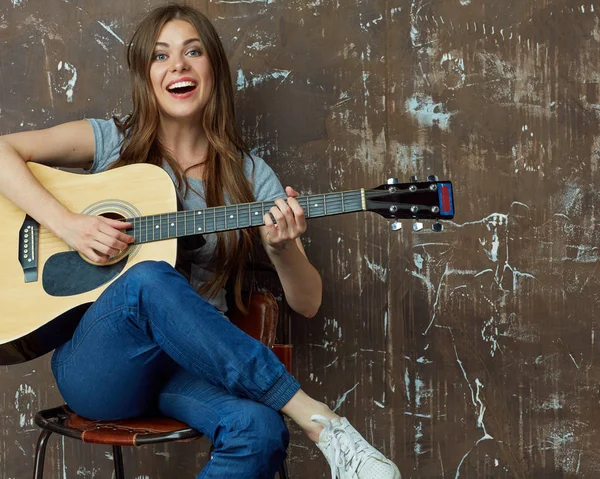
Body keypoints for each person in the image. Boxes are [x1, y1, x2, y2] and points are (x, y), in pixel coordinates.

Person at [0, 4, 401, 479]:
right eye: (160, 55)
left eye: (193, 51)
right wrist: (67, 223)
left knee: (258, 429)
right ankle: (322, 422)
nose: (178, 66)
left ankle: (300, 418)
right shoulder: (113, 141)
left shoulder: (250, 177)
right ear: (146, 75)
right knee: (149, 279)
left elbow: (308, 302)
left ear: (214, 67)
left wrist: (281, 248)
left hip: (190, 369)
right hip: (101, 365)